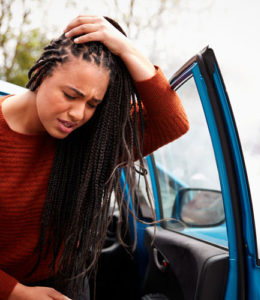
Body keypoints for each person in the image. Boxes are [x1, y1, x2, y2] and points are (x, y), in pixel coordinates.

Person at [0, 15, 189, 300]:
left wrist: (126, 48)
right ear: (40, 73)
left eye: (92, 104)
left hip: (65, 283)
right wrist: (17, 293)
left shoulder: (90, 139)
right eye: (70, 95)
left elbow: (172, 120)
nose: (78, 114)